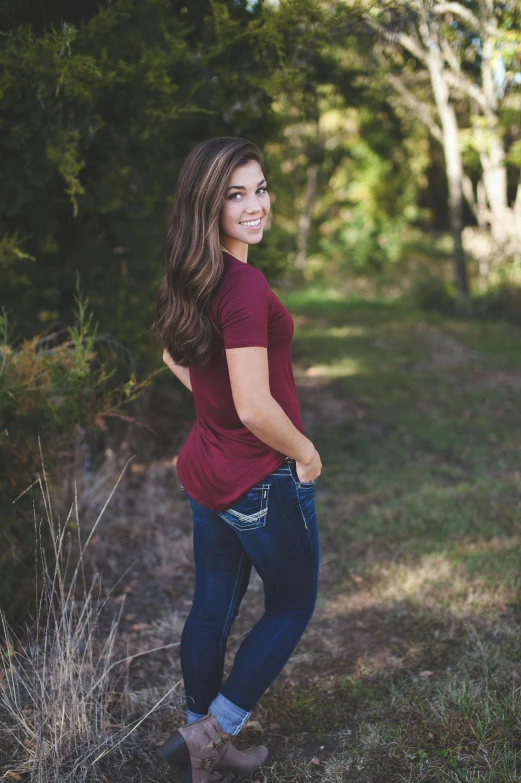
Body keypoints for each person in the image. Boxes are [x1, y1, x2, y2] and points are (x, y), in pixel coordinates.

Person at [154, 137, 322, 783]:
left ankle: (202, 743)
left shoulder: (191, 269)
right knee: (290, 605)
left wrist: (216, 409)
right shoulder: (243, 284)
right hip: (258, 479)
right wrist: (304, 450)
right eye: (236, 193)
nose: (255, 205)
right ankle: (213, 730)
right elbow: (255, 406)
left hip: (206, 471)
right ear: (209, 203)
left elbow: (175, 356)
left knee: (210, 609)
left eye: (261, 188)